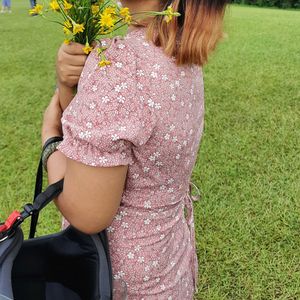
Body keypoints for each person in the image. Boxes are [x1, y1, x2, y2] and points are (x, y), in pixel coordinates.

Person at [42, 0, 228, 298]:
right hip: (168, 266)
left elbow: (88, 212)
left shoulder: (120, 62)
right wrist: (69, 83)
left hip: (118, 279)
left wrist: (50, 139)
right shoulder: (177, 48)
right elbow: (100, 138)